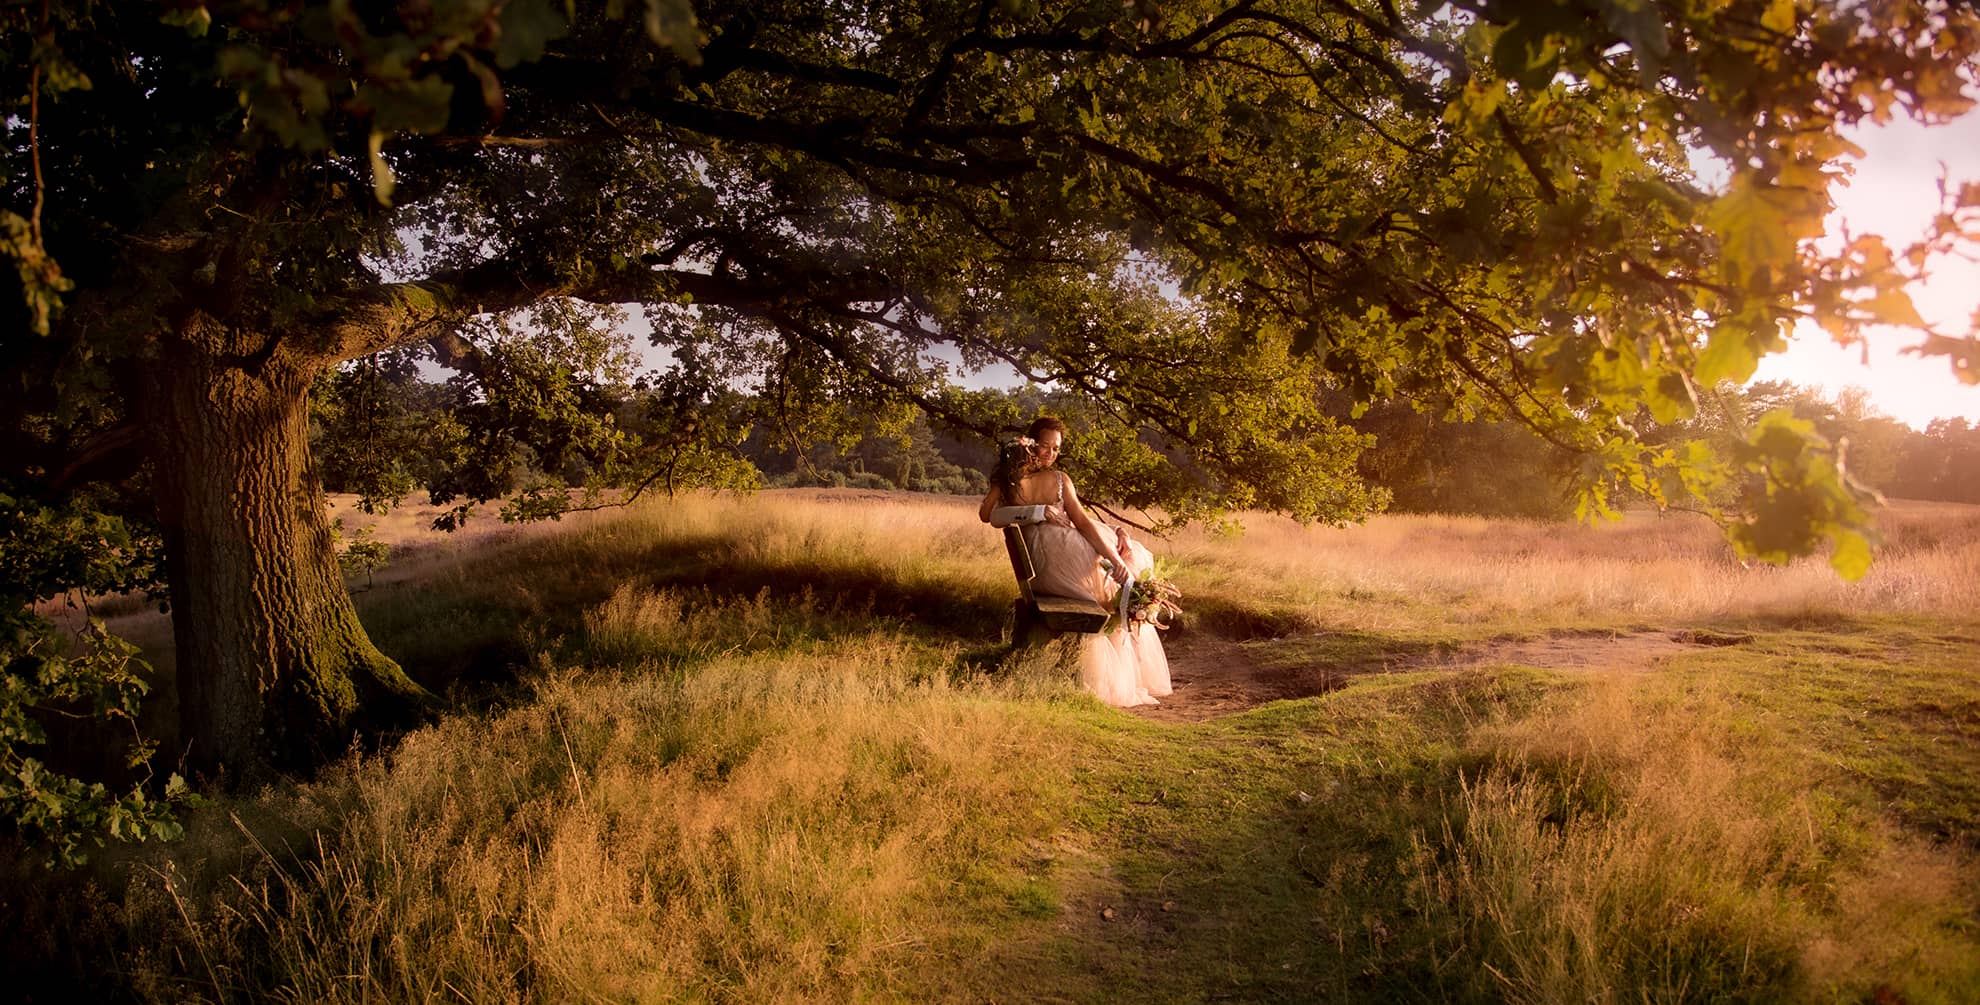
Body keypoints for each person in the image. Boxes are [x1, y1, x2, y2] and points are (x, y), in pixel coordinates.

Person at [979, 417, 1173, 707]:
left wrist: (1113, 546)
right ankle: (1110, 670)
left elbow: (1080, 521)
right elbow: (987, 515)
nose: (1050, 454)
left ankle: (1121, 586)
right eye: (1044, 446)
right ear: (1030, 443)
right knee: (1114, 570)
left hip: (1050, 564)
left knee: (1125, 554)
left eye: (1055, 449)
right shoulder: (1010, 480)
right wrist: (1039, 511)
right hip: (1055, 565)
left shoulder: (1056, 479)